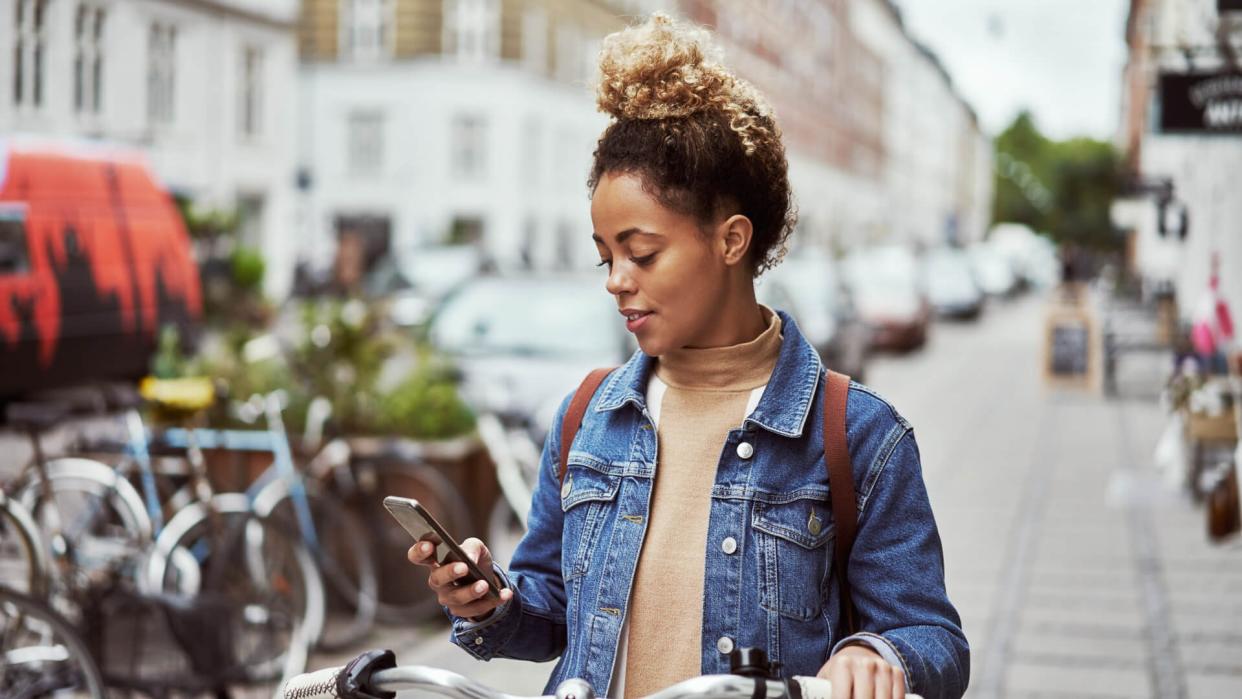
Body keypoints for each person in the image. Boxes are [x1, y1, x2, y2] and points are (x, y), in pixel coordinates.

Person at [408, 13, 968, 699]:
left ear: (731, 241)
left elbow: (934, 640)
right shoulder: (590, 413)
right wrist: (491, 603)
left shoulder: (858, 435)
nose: (615, 278)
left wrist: (876, 654)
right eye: (605, 255)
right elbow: (553, 607)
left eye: (641, 253)